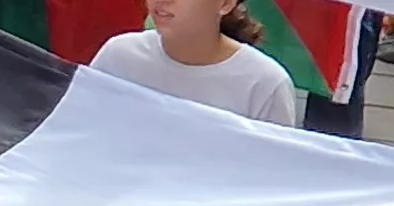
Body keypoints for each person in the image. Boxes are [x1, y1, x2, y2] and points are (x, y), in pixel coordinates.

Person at [88, 0, 301, 127]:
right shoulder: (118, 55)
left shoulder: (265, 84)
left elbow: (273, 177)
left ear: (225, 4)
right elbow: (84, 129)